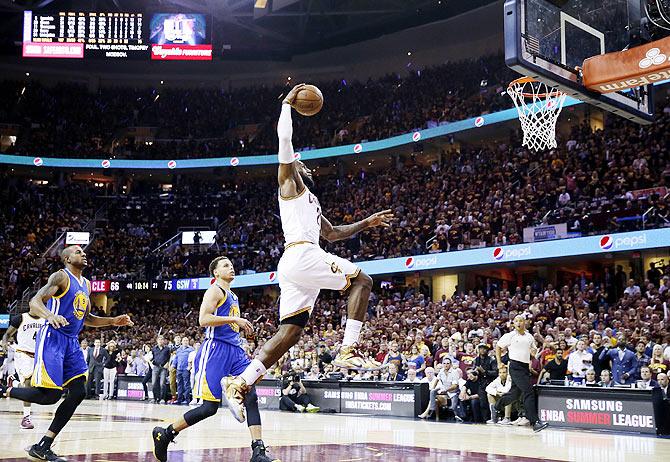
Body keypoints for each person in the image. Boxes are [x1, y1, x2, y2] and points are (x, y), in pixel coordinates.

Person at [222, 84, 394, 423]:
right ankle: (349, 350)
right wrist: (286, 104)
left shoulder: (312, 203)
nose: (301, 162)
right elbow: (285, 143)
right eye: (297, 161)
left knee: (290, 333)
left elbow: (332, 233)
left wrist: (366, 223)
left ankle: (241, 384)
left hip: (298, 261)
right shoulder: (289, 183)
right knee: (362, 280)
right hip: (301, 254)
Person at [0, 245, 133, 462]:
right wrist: (50, 315)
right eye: (78, 252)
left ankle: (43, 445)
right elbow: (35, 301)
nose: (84, 254)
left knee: (79, 391)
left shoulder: (87, 285)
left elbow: (87, 318)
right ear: (67, 258)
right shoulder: (61, 277)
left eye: (84, 252)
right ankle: (5, 390)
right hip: (53, 338)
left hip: (71, 342)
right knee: (50, 396)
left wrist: (112, 321)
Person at [151, 256, 279, 462]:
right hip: (215, 352)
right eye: (226, 265)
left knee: (251, 395)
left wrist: (240, 329)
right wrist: (235, 319)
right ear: (216, 273)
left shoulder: (233, 296)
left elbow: (229, 325)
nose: (232, 267)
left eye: (232, 264)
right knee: (209, 408)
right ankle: (165, 433)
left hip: (235, 352)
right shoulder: (215, 290)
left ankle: (258, 450)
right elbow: (203, 319)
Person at [495, 314, 548, 432]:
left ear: (525, 323)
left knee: (514, 394)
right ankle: (535, 422)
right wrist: (499, 362)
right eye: (516, 321)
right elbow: (498, 347)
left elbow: (533, 350)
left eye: (521, 321)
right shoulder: (510, 335)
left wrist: (534, 352)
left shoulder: (529, 337)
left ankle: (497, 406)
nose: (518, 323)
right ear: (513, 323)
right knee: (528, 392)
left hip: (525, 367)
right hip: (514, 366)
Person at [1, 310, 44, 429]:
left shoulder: (45, 319)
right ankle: (26, 418)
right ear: (32, 303)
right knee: (28, 384)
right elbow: (7, 334)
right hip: (23, 354)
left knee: (38, 387)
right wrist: (4, 342)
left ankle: (13, 381)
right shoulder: (20, 318)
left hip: (39, 356)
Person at [172, 336, 194, 404]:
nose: (185, 342)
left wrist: (190, 367)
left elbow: (193, 358)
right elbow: (176, 358)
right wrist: (173, 365)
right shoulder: (179, 349)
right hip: (179, 369)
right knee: (179, 384)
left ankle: (186, 399)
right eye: (184, 340)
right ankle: (179, 399)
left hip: (186, 369)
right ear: (181, 342)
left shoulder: (191, 349)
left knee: (186, 384)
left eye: (187, 340)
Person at [151, 335, 170, 404]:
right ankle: (154, 398)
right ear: (157, 341)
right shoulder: (154, 348)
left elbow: (169, 358)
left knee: (162, 384)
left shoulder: (167, 349)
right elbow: (152, 357)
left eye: (162, 339)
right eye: (159, 339)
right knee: (153, 383)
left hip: (163, 368)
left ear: (164, 341)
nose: (161, 341)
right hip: (156, 367)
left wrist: (167, 363)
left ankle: (162, 398)